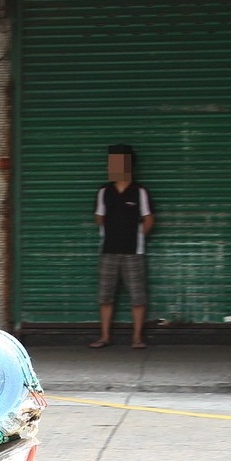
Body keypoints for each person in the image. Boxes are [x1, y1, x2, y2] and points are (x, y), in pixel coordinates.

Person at [89, 144, 155, 350]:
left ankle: (137, 338)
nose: (111, 167)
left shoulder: (139, 191)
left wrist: (136, 236)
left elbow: (149, 219)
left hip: (134, 252)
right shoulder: (104, 191)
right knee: (105, 296)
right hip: (108, 250)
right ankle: (104, 337)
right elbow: (99, 217)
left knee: (137, 296)